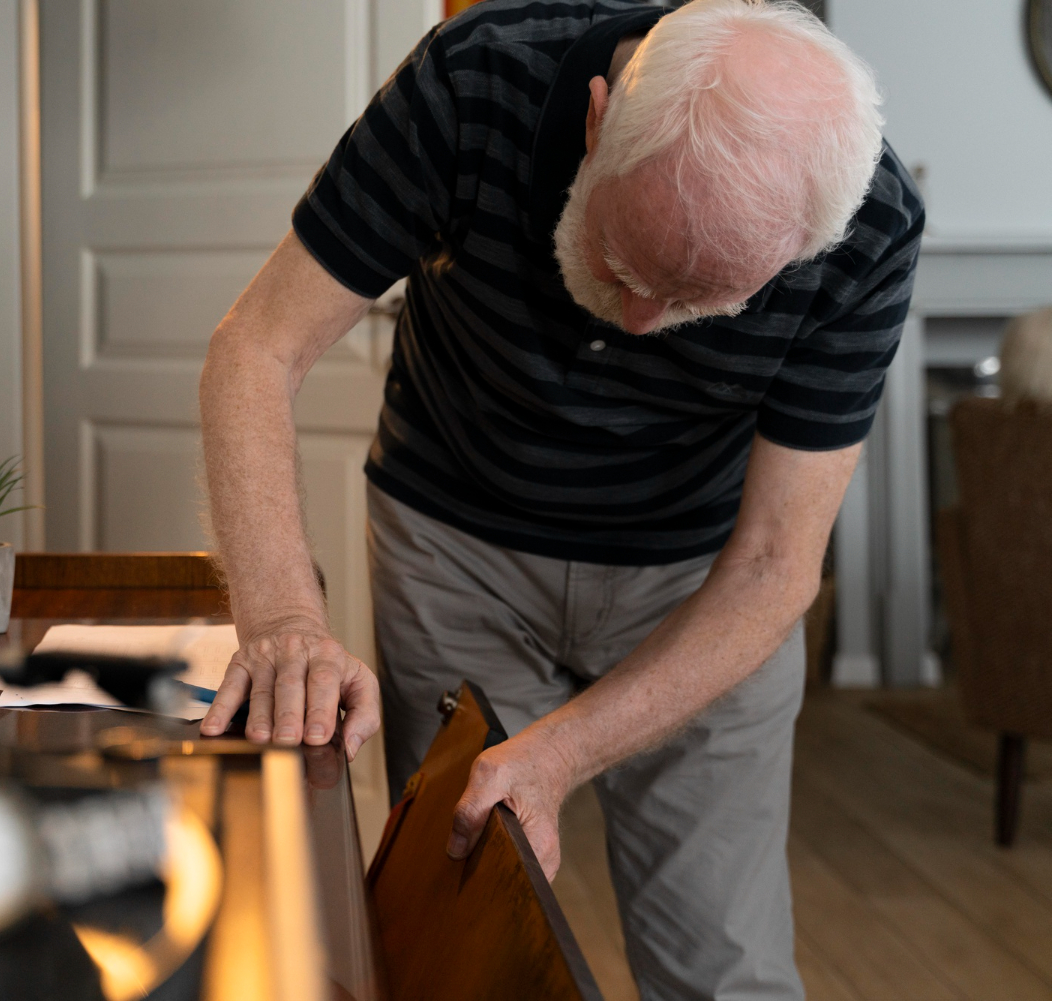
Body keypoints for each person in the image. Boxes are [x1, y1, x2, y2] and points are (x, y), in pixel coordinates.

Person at [197, 0, 923, 996]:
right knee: (457, 931)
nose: (639, 321)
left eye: (694, 300)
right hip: (457, 540)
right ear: (598, 119)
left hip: (702, 580)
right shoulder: (470, 86)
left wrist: (564, 751)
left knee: (724, 959)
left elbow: (774, 566)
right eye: (621, 262)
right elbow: (256, 347)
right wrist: (281, 616)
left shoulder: (870, 225)